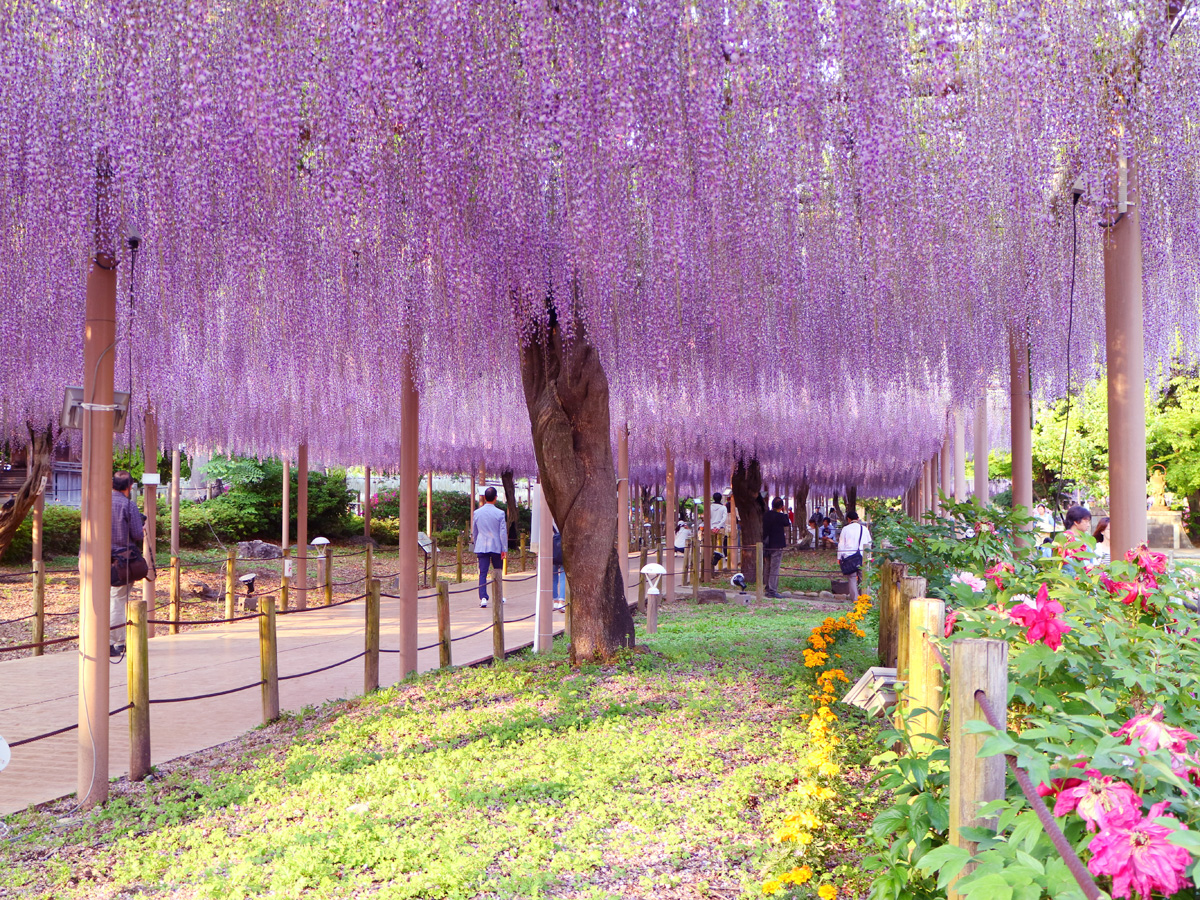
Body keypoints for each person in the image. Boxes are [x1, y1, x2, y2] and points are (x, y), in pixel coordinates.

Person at [110, 470, 144, 659]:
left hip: (98, 559)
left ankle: (104, 639)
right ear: (129, 487)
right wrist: (143, 526)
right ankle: (116, 641)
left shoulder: (100, 502)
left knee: (104, 599)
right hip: (122, 561)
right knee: (118, 599)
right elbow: (137, 534)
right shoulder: (128, 505)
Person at [472, 486, 508, 607]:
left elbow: (475, 531)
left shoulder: (477, 513)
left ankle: (483, 597)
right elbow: (502, 532)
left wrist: (476, 543)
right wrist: (504, 548)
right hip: (496, 545)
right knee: (497, 571)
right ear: (495, 498)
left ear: (485, 497)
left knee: (483, 572)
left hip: (482, 545)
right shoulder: (500, 513)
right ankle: (498, 595)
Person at [837, 510, 872, 599]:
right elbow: (869, 543)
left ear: (848, 519)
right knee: (863, 578)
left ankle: (855, 599)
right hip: (863, 556)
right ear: (858, 518)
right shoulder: (864, 529)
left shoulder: (845, 529)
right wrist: (869, 556)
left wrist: (839, 557)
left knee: (852, 578)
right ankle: (864, 598)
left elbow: (841, 545)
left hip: (849, 557)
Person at [762, 497, 790, 598]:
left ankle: (767, 587)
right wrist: (785, 511)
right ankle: (772, 590)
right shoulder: (780, 516)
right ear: (781, 507)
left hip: (767, 544)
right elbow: (787, 523)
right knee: (774, 568)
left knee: (768, 566)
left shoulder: (766, 515)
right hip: (777, 545)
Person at [708, 493, 729, 568]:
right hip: (720, 528)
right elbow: (724, 518)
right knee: (719, 544)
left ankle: (711, 558)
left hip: (711, 528)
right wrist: (718, 527)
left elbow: (708, 517)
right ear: (721, 499)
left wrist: (712, 527)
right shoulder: (723, 508)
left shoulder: (709, 507)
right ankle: (716, 558)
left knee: (711, 544)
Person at [552, 525, 566, 612]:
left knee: (553, 579)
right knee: (563, 578)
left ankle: (555, 601)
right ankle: (562, 602)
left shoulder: (548, 521)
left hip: (553, 554)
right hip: (564, 553)